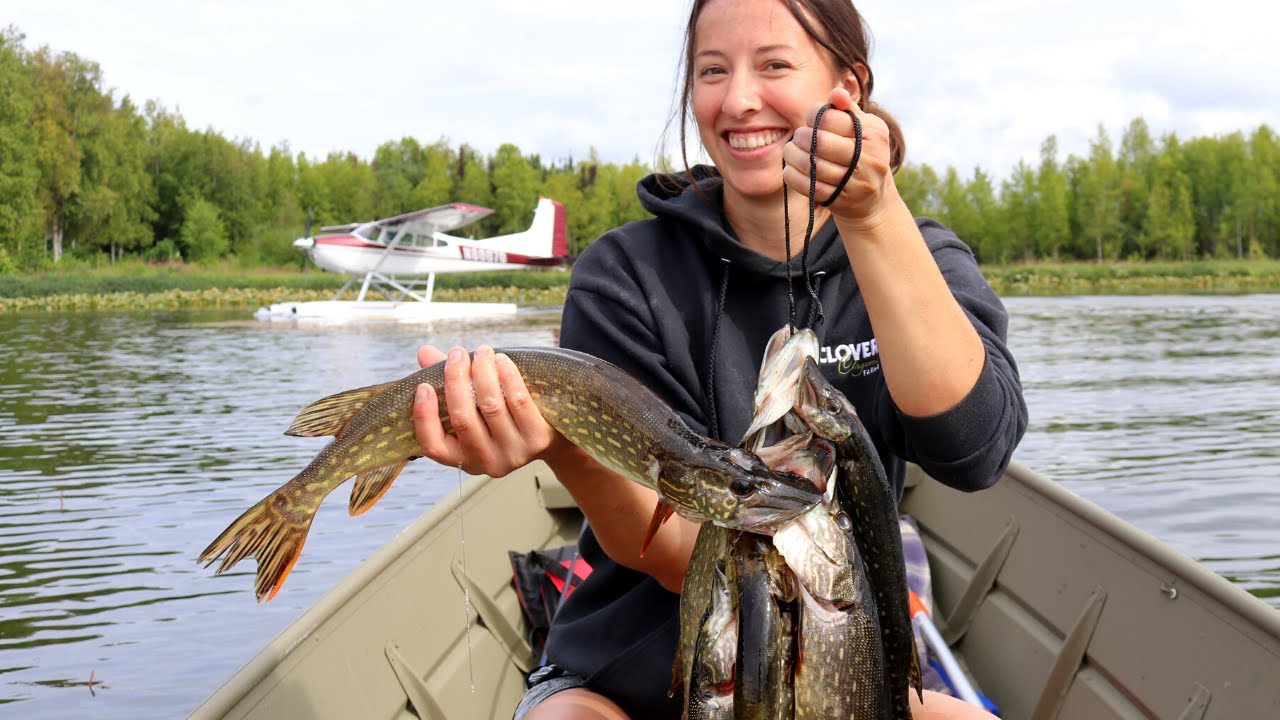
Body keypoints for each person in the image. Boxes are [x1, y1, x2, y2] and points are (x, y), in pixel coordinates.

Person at [410, 0, 1028, 717]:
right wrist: (563, 447)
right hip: (626, 676)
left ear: (848, 90)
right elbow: (671, 546)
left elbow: (975, 448)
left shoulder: (919, 256)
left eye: (774, 66)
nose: (738, 99)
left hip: (843, 662)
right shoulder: (625, 273)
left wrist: (873, 214)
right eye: (712, 71)